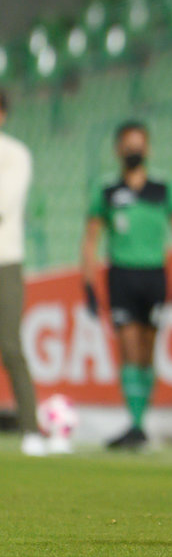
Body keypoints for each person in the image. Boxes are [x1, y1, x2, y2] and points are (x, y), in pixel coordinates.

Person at [81, 120, 172, 449]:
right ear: (118, 149)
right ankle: (135, 423)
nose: (133, 150)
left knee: (147, 351)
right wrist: (88, 285)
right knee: (129, 348)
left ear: (148, 148)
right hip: (121, 275)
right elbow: (90, 241)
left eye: (138, 145)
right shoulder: (106, 190)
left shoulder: (163, 188)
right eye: (128, 145)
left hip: (154, 275)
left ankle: (140, 422)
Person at [0, 89, 45, 456]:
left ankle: (31, 428)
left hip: (5, 261)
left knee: (10, 345)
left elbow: (2, 203)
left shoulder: (15, 154)